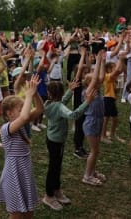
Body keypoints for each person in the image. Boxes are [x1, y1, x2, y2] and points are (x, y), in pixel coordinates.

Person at [42, 80, 95, 211]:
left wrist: (70, 91)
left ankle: (56, 190)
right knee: (54, 168)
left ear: (49, 94)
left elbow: (61, 103)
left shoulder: (48, 103)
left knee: (56, 166)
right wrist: (86, 102)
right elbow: (73, 115)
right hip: (56, 142)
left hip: (52, 140)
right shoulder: (59, 107)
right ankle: (49, 196)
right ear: (60, 93)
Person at [0, 76, 43, 219]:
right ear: (10, 113)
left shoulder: (22, 123)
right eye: (22, 108)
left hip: (24, 171)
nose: (26, 111)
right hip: (13, 174)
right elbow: (23, 117)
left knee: (28, 211)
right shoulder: (7, 128)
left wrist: (34, 94)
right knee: (16, 214)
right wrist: (27, 96)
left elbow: (40, 108)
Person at [81, 51, 106, 186]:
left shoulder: (96, 90)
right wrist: (96, 61)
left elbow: (100, 78)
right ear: (89, 82)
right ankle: (87, 176)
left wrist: (101, 61)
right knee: (94, 150)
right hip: (91, 122)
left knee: (96, 150)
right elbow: (97, 78)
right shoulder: (87, 92)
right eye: (93, 79)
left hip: (97, 120)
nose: (97, 80)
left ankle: (92, 171)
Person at [101, 52, 126, 144]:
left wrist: (122, 61)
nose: (116, 68)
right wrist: (120, 59)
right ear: (108, 69)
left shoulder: (114, 77)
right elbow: (117, 71)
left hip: (112, 99)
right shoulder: (107, 77)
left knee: (114, 118)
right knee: (106, 118)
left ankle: (112, 134)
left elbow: (121, 70)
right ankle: (103, 136)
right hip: (107, 99)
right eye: (114, 67)